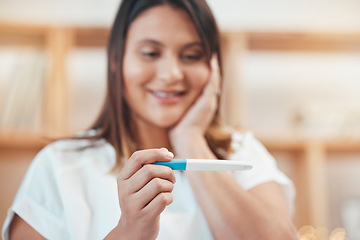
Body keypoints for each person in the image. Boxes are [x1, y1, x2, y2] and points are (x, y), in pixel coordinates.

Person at [2, 0, 298, 239]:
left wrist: (190, 139)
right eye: (150, 53)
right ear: (117, 61)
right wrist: (129, 232)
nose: (171, 73)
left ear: (214, 68)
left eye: (192, 56)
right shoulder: (60, 165)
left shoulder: (242, 152)